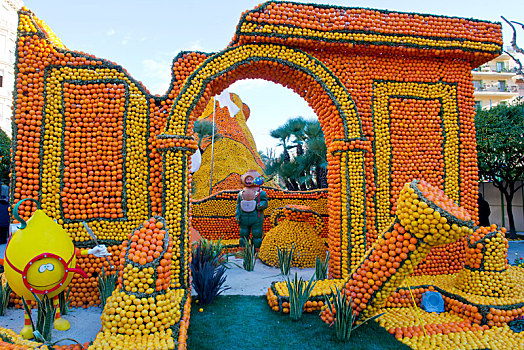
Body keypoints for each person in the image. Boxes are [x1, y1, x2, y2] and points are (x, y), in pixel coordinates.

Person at [235, 170, 268, 249]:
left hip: (256, 217)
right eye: (247, 179)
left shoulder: (261, 193)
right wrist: (237, 215)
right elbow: (238, 205)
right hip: (244, 217)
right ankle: (242, 250)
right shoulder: (241, 193)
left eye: (251, 179)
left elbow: (265, 203)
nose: (249, 181)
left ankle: (256, 250)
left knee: (257, 234)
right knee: (243, 234)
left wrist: (261, 205)